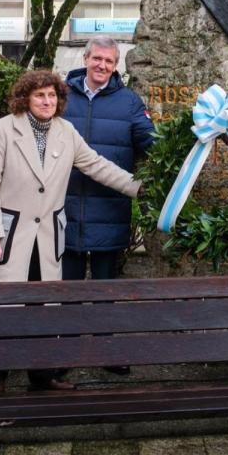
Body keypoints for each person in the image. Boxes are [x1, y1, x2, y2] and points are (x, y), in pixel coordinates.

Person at [0, 70, 142, 393]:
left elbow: (96, 165)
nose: (47, 101)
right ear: (25, 98)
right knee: (1, 313)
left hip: (46, 238)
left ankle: (42, 377)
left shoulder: (66, 131)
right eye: (40, 95)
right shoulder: (3, 129)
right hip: (7, 238)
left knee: (44, 310)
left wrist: (140, 188)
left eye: (52, 95)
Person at [61, 37, 153, 289]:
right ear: (86, 59)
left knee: (105, 294)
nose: (102, 65)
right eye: (97, 59)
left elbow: (152, 142)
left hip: (109, 212)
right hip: (64, 210)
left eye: (108, 61)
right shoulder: (61, 97)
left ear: (115, 65)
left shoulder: (129, 102)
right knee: (67, 294)